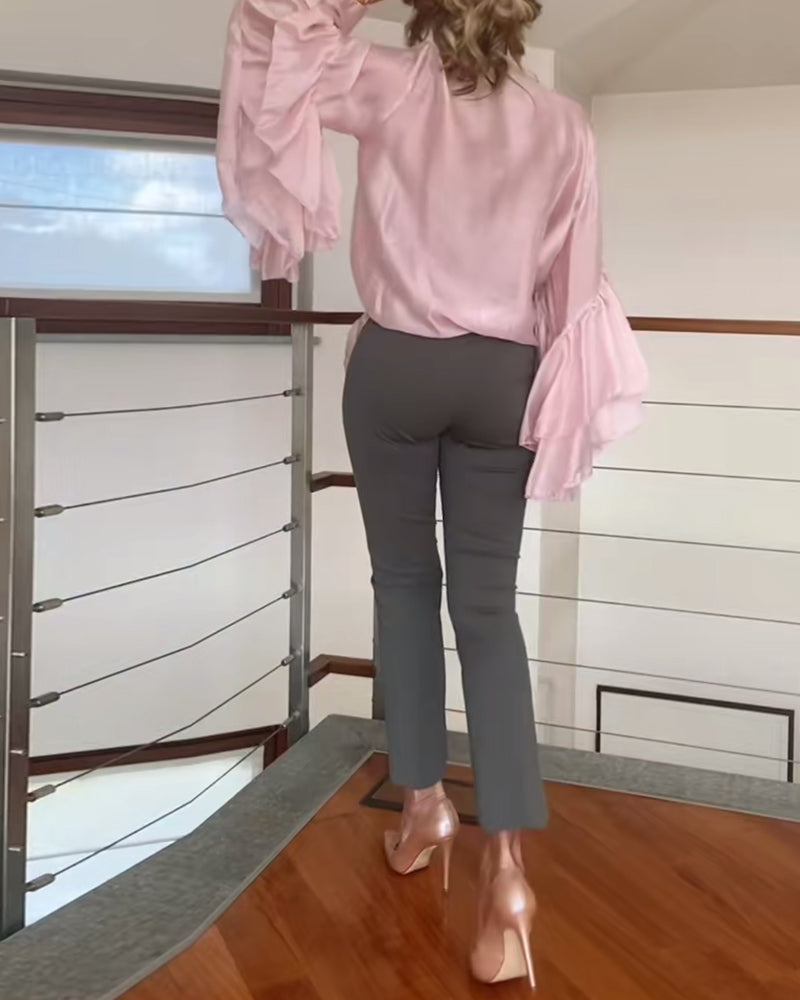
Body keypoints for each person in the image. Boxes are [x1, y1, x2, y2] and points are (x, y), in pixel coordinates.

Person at [217, 0, 647, 987]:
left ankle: (421, 808)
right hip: (505, 375)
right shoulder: (564, 125)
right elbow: (573, 291)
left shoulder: (384, 80)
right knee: (488, 613)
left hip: (397, 369)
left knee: (404, 585)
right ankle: (508, 876)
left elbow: (273, 33)